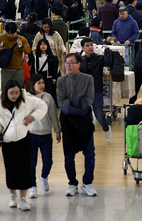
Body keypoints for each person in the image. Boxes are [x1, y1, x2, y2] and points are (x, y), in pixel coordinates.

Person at [0, 79, 47, 211]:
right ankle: (12, 196)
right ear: (5, 93)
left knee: (25, 169)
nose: (15, 96)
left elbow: (43, 106)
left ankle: (23, 199)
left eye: (17, 93)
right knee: (11, 169)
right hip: (8, 143)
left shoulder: (27, 101)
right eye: (11, 93)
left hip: (24, 140)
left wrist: (33, 117)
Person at [56, 53, 98, 197]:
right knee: (68, 156)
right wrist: (78, 102)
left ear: (79, 64)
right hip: (68, 123)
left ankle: (88, 182)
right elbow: (62, 103)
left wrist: (72, 102)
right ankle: (72, 183)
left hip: (85, 121)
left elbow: (89, 101)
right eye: (66, 62)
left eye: (71, 62)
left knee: (90, 154)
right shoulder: (61, 81)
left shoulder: (88, 79)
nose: (67, 65)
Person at [26, 74, 61, 199]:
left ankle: (44, 176)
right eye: (38, 83)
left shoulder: (48, 97)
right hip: (31, 135)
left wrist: (57, 131)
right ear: (32, 84)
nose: (41, 85)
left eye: (43, 83)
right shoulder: (26, 98)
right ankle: (32, 186)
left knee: (48, 162)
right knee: (31, 163)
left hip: (46, 135)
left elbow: (53, 115)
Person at [79, 38, 113, 142]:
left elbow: (109, 63)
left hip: (97, 90)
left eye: (91, 45)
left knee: (99, 116)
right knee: (84, 116)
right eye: (87, 45)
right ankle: (86, 136)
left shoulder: (99, 58)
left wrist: (107, 50)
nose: (90, 47)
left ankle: (106, 129)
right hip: (84, 92)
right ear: (83, 48)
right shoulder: (81, 60)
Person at [0, 23, 32, 87]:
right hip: (6, 69)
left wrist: (22, 46)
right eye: (9, 33)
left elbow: (28, 51)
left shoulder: (21, 39)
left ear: (16, 31)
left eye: (13, 33)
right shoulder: (2, 37)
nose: (11, 35)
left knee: (18, 89)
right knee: (5, 89)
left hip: (18, 70)